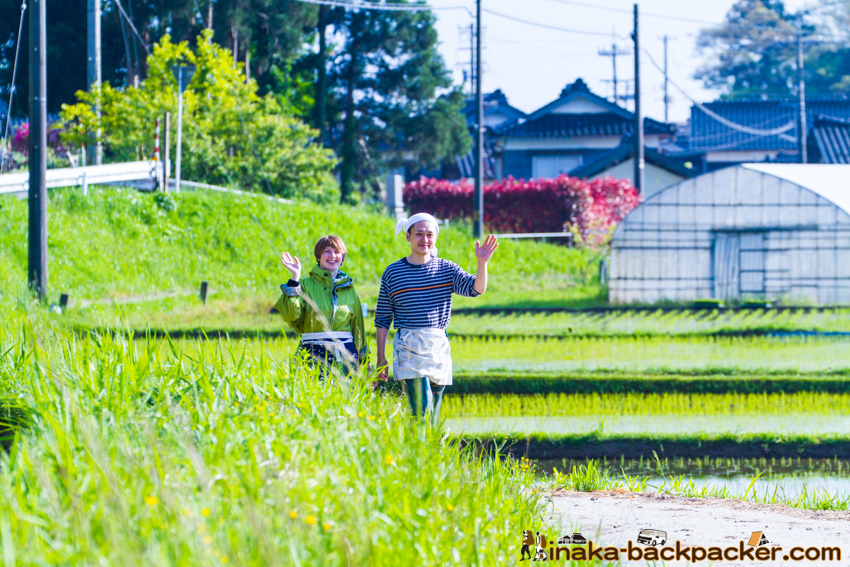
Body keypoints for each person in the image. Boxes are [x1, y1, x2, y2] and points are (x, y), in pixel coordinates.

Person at [374, 213, 498, 425]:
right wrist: (380, 357)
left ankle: (425, 454)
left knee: (431, 415)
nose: (424, 240)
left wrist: (482, 262)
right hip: (408, 345)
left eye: (429, 235)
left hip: (438, 346)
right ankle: (419, 452)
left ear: (436, 237)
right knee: (422, 408)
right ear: (408, 237)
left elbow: (476, 289)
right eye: (419, 234)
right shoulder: (393, 272)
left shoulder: (446, 268)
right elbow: (383, 317)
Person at [275, 235, 367, 377]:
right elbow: (291, 316)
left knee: (346, 397)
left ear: (343, 257)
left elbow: (358, 329)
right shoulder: (305, 284)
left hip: (346, 355)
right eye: (327, 251)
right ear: (318, 256)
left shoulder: (349, 289)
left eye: (337, 252)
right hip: (312, 352)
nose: (332, 256)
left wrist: (365, 365)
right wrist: (295, 279)